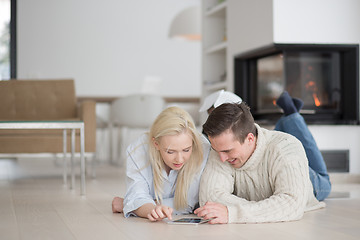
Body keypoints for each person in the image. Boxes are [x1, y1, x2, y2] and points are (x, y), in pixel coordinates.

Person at [194, 94, 330, 224]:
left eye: (228, 151)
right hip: (270, 167)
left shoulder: (286, 147)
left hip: (311, 183)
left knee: (325, 182)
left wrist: (232, 213)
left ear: (250, 139)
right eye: (217, 151)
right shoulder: (220, 148)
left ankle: (292, 116)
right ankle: (286, 120)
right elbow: (210, 198)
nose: (221, 158)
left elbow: (291, 203)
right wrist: (269, 208)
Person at [112, 106, 211, 221]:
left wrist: (131, 204)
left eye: (186, 150)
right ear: (156, 144)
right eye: (170, 151)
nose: (179, 159)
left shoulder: (202, 148)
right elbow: (137, 195)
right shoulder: (139, 150)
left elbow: (189, 202)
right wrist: (150, 209)